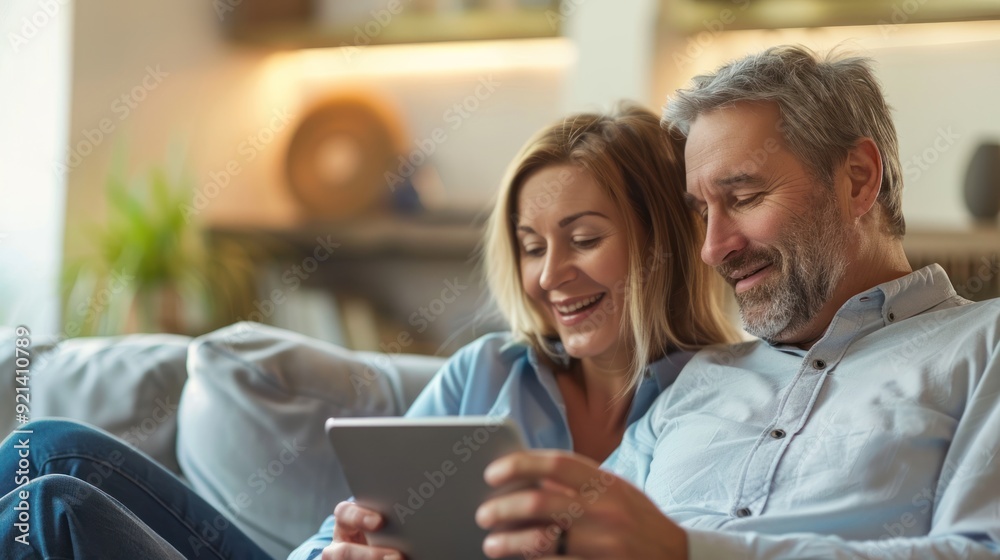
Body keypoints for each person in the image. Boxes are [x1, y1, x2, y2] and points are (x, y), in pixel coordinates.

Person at [0, 104, 736, 559]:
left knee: (54, 506)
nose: (550, 276)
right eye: (532, 246)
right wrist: (341, 550)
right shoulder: (489, 371)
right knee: (49, 447)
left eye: (584, 239)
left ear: (663, 240)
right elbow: (341, 530)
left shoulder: (724, 403)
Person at [473, 45, 1000, 559]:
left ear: (858, 179)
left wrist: (684, 550)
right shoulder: (699, 378)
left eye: (744, 198)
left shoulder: (984, 346)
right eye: (703, 212)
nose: (712, 248)